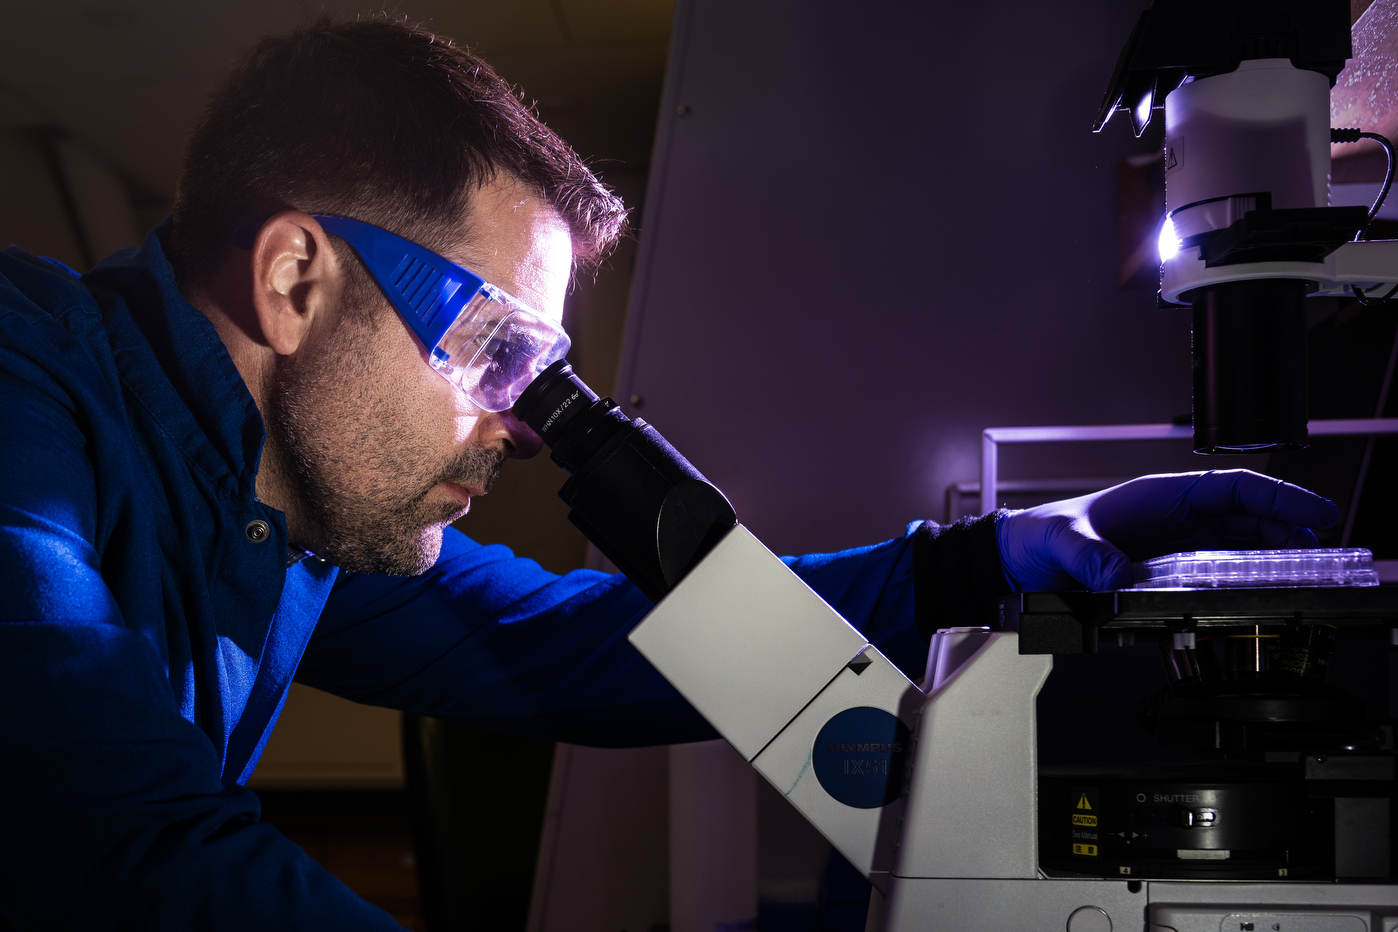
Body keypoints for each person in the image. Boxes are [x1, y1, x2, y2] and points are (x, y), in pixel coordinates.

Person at [0, 16, 1339, 932]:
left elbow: (579, 649)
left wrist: (983, 561)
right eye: (497, 349)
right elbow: (123, 846)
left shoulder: (284, 511)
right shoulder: (19, 388)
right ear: (299, 280)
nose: (524, 426)